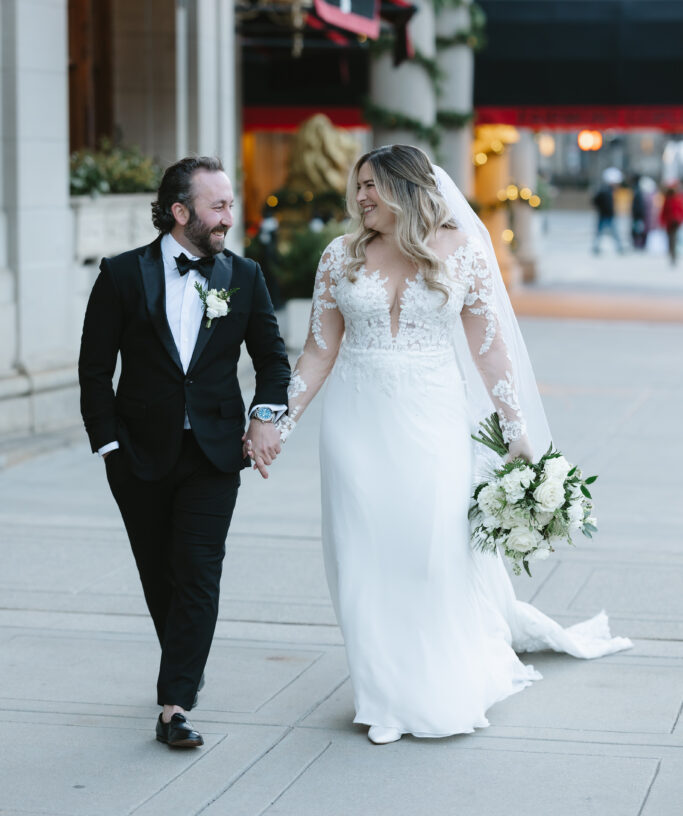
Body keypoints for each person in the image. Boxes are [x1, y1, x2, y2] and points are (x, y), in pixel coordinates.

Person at [272, 145, 631, 745]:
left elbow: (491, 347)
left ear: (408, 190)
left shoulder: (459, 249)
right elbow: (317, 349)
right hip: (355, 423)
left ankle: (434, 688)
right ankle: (383, 697)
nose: (359, 197)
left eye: (372, 186)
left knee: (429, 552)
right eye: (357, 186)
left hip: (430, 420)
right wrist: (278, 424)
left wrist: (518, 432)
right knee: (362, 555)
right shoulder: (340, 255)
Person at [78, 156, 290, 748]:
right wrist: (109, 443)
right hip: (137, 452)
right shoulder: (122, 275)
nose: (230, 215)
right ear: (180, 211)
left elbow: (273, 362)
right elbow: (95, 368)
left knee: (198, 571)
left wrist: (266, 417)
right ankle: (185, 664)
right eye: (218, 205)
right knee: (159, 573)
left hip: (216, 453)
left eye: (229, 203)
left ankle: (175, 703)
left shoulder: (244, 275)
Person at [592, 175, 623, 254]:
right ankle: (596, 247)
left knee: (604, 232)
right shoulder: (605, 191)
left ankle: (619, 247)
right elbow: (595, 201)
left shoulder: (608, 190)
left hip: (606, 215)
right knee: (606, 232)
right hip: (605, 215)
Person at [659, 184, 683, 265]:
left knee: (673, 239)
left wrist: (679, 219)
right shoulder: (668, 199)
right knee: (670, 239)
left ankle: (674, 255)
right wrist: (662, 220)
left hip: (675, 222)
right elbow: (664, 211)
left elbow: (680, 210)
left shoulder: (678, 198)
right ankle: (672, 254)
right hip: (669, 222)